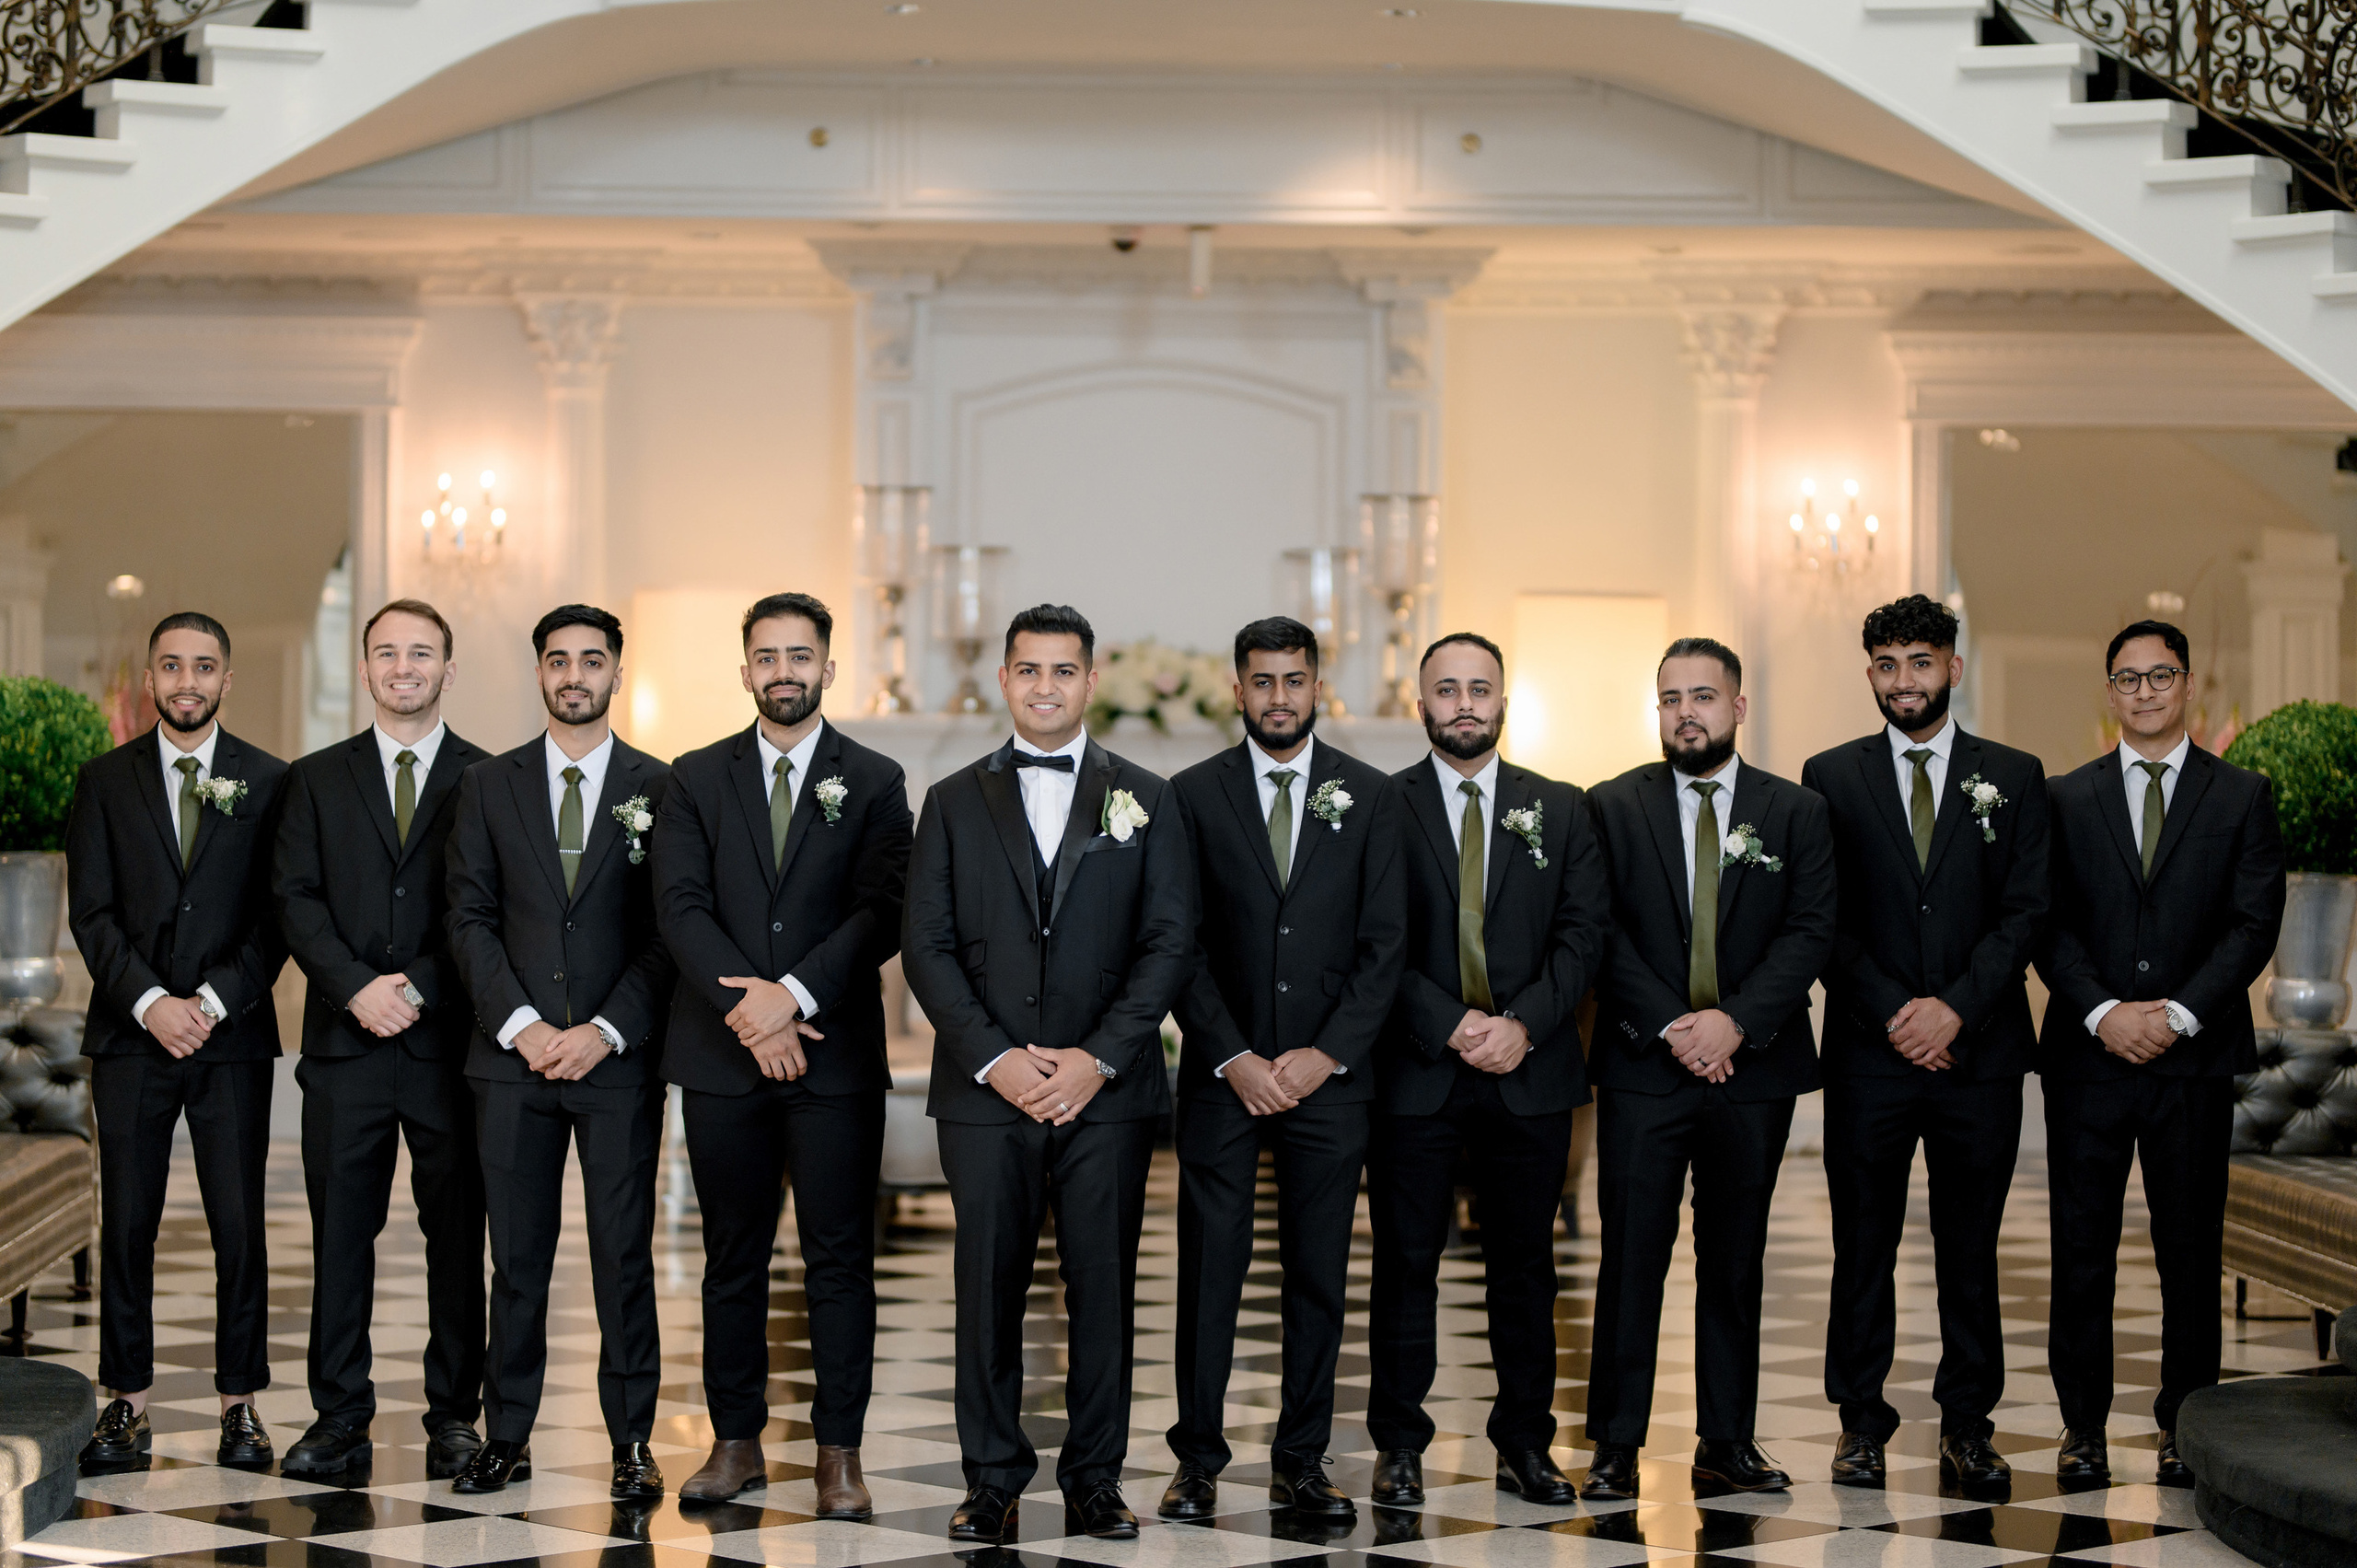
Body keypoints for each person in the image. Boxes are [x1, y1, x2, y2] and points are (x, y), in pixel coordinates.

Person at [900, 604, 1191, 1545]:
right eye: (1028, 670)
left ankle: (1094, 1479)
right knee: (985, 1287)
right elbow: (926, 945)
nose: (1045, 687)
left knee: (1101, 1289)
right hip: (984, 1094)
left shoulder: (1146, 794)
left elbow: (1167, 941)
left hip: (1105, 1094)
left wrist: (1096, 1057)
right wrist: (993, 1056)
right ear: (1004, 679)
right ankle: (990, 1479)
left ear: (1091, 681)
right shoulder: (948, 799)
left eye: (1063, 671)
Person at [652, 592, 912, 1510]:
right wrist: (751, 1013)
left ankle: (837, 1451)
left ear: (829, 668)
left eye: (800, 656)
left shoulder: (876, 778)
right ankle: (735, 1441)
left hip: (832, 1053)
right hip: (722, 1058)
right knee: (734, 1255)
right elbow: (679, 906)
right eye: (766, 657)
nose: (783, 672)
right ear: (745, 669)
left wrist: (793, 997)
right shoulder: (692, 776)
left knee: (839, 1257)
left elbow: (882, 907)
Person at [1800, 594, 2048, 1491]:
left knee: (1970, 1245)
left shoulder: (2013, 774)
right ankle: (1858, 1422)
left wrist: (1956, 1010)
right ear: (1869, 672)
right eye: (1886, 663)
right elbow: (1821, 917)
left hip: (1977, 1056)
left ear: (1952, 664)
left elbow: (2026, 912)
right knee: (1861, 1244)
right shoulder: (1827, 775)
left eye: (1919, 660)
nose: (1903, 679)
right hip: (1868, 1055)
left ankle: (1968, 1422)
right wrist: (1895, 1014)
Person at [1160, 617, 1404, 1521]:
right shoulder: (1189, 795)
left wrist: (1323, 1053)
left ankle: (1303, 1455)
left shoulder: (1370, 796)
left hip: (1328, 1082)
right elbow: (1175, 941)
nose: (1277, 697)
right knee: (1208, 1271)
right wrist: (1231, 1055)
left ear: (1317, 686)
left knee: (1317, 1271)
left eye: (1293, 680)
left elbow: (1385, 945)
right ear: (1237, 689)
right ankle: (1197, 1459)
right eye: (1261, 681)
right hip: (1223, 1079)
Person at [1582, 636, 1834, 1500]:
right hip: (1643, 1068)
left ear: (1738, 706)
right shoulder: (1610, 807)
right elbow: (1597, 931)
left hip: (1751, 1072)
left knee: (1735, 1259)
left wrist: (1734, 1023)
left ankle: (1726, 1440)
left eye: (1703, 696)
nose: (1685, 712)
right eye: (1669, 698)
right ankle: (1615, 1443)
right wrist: (1671, 1026)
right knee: (1632, 1257)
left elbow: (1809, 929)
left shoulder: (1795, 811)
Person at [1364, 632, 1610, 1508]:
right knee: (1405, 1263)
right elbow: (1372, 943)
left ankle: (1526, 1443)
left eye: (1480, 687)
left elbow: (1584, 938)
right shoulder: (1377, 807)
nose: (1464, 702)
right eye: (1446, 688)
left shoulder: (1564, 807)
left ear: (1505, 700)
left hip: (1530, 1072)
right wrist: (1454, 1022)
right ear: (1418, 701)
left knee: (1527, 1266)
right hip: (1415, 1073)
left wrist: (1522, 1025)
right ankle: (1398, 1443)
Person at [2036, 620, 2284, 1485]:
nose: (2145, 691)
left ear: (2189, 686)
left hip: (2193, 1062)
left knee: (2189, 1252)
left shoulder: (2241, 795)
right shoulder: (2065, 796)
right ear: (2110, 693)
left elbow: (2253, 924)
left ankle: (2185, 1424)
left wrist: (2175, 1013)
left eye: (2161, 675)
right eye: (2128, 678)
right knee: (2082, 1250)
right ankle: (2082, 1429)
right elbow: (2045, 921)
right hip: (2088, 1062)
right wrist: (2105, 1011)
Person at [444, 604, 676, 1501]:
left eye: (591, 659)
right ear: (537, 673)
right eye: (557, 660)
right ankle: (506, 1434)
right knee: (518, 1256)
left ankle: (631, 1440)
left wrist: (604, 1029)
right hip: (511, 1063)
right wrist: (525, 1025)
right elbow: (465, 916)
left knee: (625, 1253)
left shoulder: (662, 786)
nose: (573, 674)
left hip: (617, 1064)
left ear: (617, 671)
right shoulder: (487, 785)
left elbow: (671, 929)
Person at [274, 598, 491, 1479]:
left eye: (422, 652)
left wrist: (422, 989)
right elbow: (293, 897)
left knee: (456, 1240)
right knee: (339, 1238)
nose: (404, 666)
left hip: (450, 1051)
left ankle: (454, 1418)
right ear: (364, 668)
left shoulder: (489, 777)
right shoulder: (315, 777)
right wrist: (357, 987)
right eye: (387, 652)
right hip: (344, 1046)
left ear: (449, 666)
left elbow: (488, 908)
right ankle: (339, 1416)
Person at [68, 612, 289, 1468]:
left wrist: (212, 1001)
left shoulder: (269, 781)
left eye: (203, 666)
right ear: (151, 678)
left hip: (231, 1041)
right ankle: (126, 1402)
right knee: (129, 1223)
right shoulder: (103, 780)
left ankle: (241, 1405)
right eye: (171, 666)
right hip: (130, 1041)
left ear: (226, 679)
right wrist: (154, 1002)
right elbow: (91, 913)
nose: (186, 681)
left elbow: (279, 915)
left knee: (240, 1224)